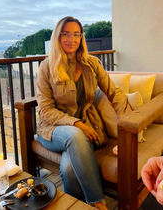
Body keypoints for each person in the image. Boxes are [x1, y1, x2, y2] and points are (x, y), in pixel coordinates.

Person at [36, 16, 130, 210]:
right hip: (53, 130)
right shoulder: (47, 67)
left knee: (69, 169)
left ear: (81, 38)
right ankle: (97, 202)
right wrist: (76, 123)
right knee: (75, 134)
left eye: (77, 34)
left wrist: (126, 123)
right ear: (58, 37)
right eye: (66, 34)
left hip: (87, 130)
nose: (72, 39)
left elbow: (113, 93)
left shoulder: (92, 63)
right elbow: (45, 110)